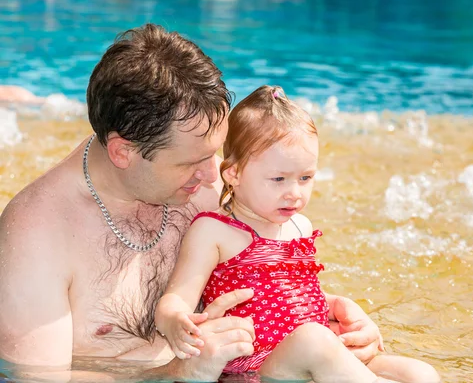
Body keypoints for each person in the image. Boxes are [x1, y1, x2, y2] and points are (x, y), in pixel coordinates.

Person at [0, 24, 425, 382]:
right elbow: (35, 378)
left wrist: (339, 321)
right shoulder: (36, 237)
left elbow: (263, 277)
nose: (215, 174)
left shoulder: (200, 182)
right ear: (123, 151)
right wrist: (179, 373)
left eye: (215, 151)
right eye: (192, 162)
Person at [155, 85, 440, 382]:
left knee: (421, 373)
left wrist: (337, 305)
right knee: (312, 340)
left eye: (305, 178)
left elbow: (291, 295)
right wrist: (177, 322)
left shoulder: (300, 226)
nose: (294, 193)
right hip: (258, 366)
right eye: (278, 179)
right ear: (234, 174)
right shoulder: (214, 231)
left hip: (312, 355)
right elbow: (175, 299)